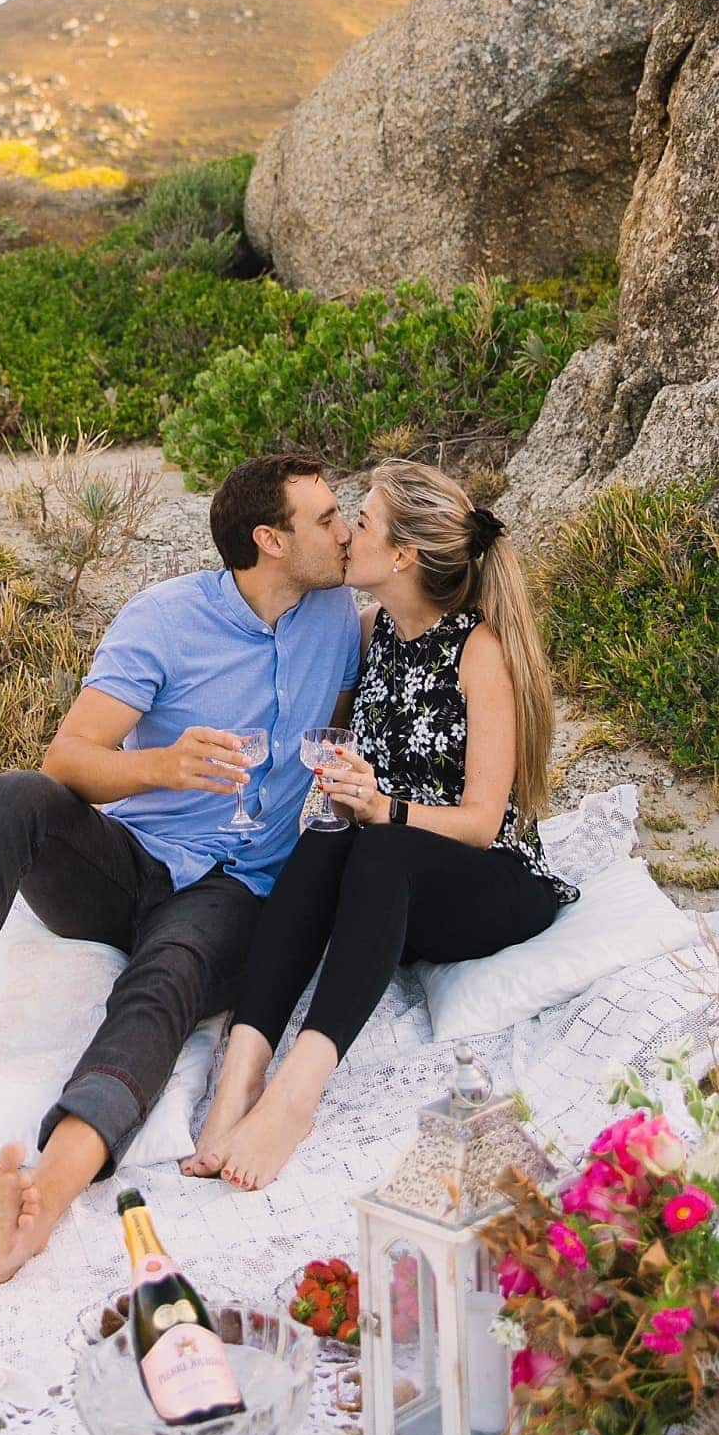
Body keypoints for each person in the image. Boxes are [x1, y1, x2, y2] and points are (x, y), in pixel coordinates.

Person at [0, 451, 360, 1286]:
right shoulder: (165, 620)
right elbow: (70, 757)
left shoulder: (337, 615)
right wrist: (162, 767)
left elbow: (338, 726)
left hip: (240, 885)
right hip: (129, 861)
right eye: (327, 517)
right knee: (12, 796)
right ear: (270, 539)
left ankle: (41, 1197)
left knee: (168, 981)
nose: (345, 530)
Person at [183, 458, 577, 1192]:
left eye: (360, 521)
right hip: (388, 887)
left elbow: (485, 824)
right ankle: (240, 1074)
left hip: (490, 884)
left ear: (400, 556)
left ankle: (297, 1094)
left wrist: (385, 808)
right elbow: (328, 752)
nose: (345, 533)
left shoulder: (479, 652)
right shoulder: (370, 634)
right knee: (329, 839)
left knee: (379, 843)